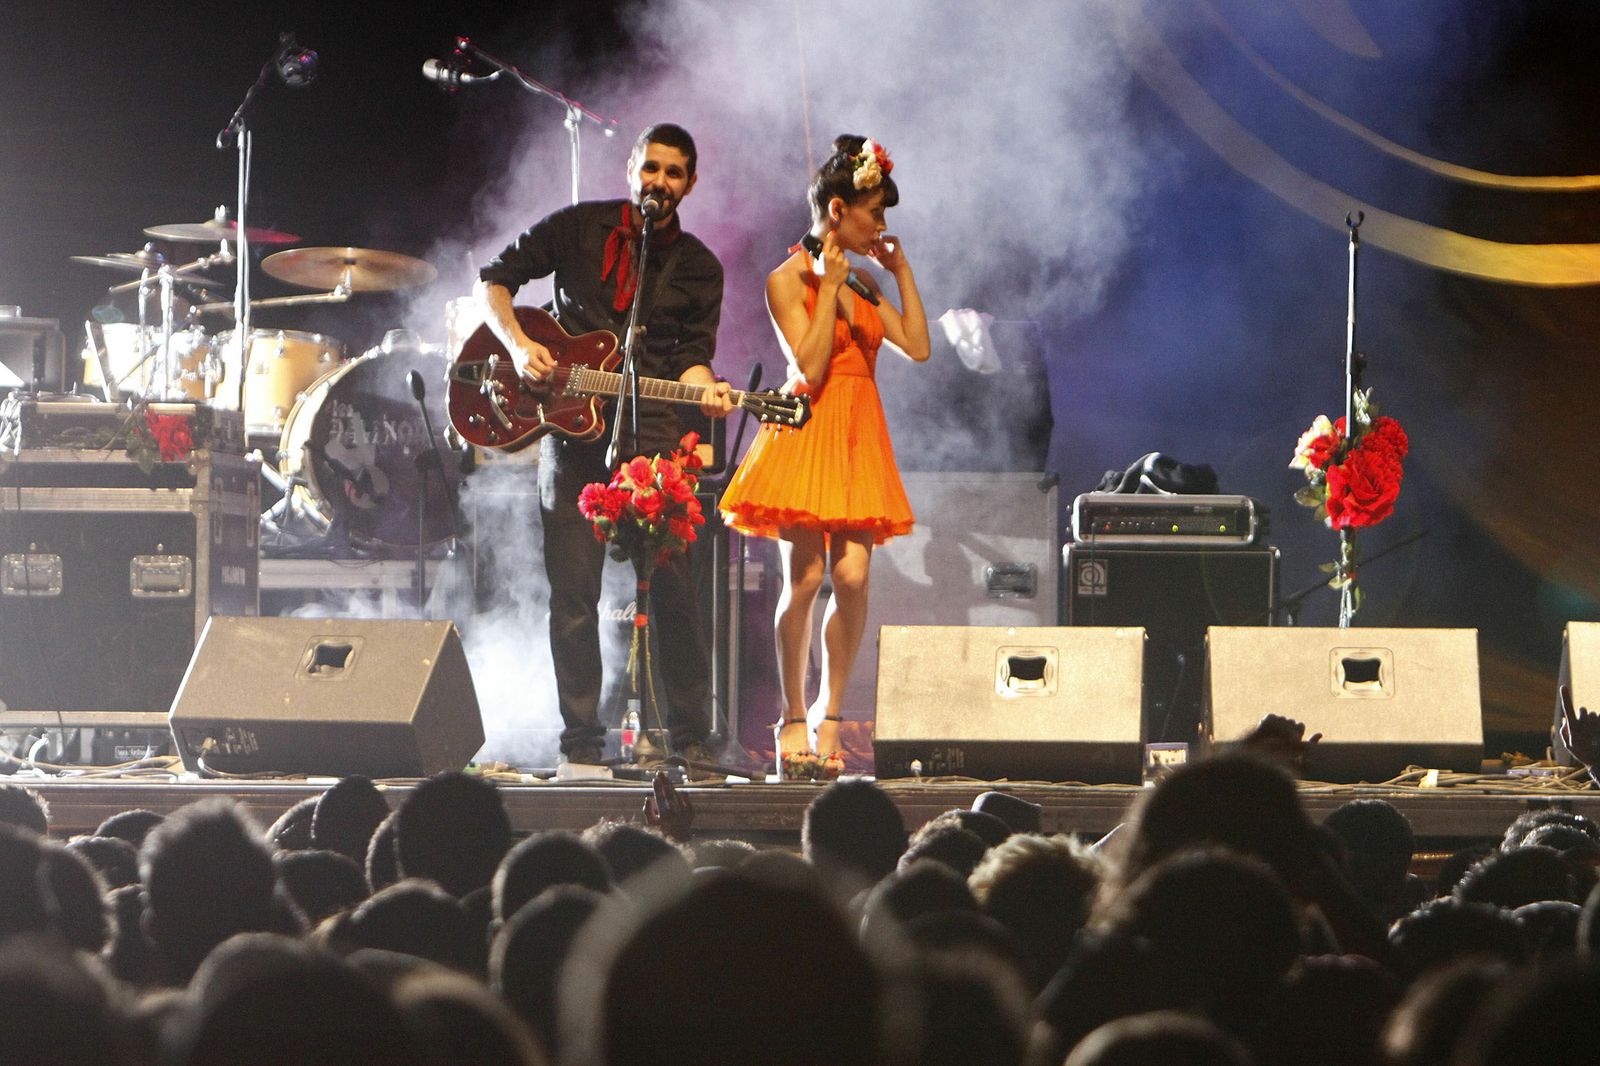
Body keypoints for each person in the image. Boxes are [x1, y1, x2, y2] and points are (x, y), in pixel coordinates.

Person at [475, 123, 734, 767]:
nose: (661, 183)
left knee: (675, 591)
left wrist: (707, 390)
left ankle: (690, 739)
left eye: (675, 173)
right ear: (631, 169)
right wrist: (517, 344)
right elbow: (495, 280)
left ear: (691, 184)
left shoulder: (700, 267)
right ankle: (582, 741)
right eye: (652, 168)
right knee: (573, 596)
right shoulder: (578, 228)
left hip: (654, 432)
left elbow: (692, 361)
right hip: (570, 430)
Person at [719, 135, 929, 778]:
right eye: (874, 213)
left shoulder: (867, 280)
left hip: (860, 432)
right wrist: (829, 288)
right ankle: (789, 714)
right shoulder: (785, 280)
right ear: (837, 210)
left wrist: (898, 272)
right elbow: (807, 369)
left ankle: (830, 710)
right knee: (805, 578)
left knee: (855, 577)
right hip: (807, 424)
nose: (881, 227)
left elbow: (917, 347)